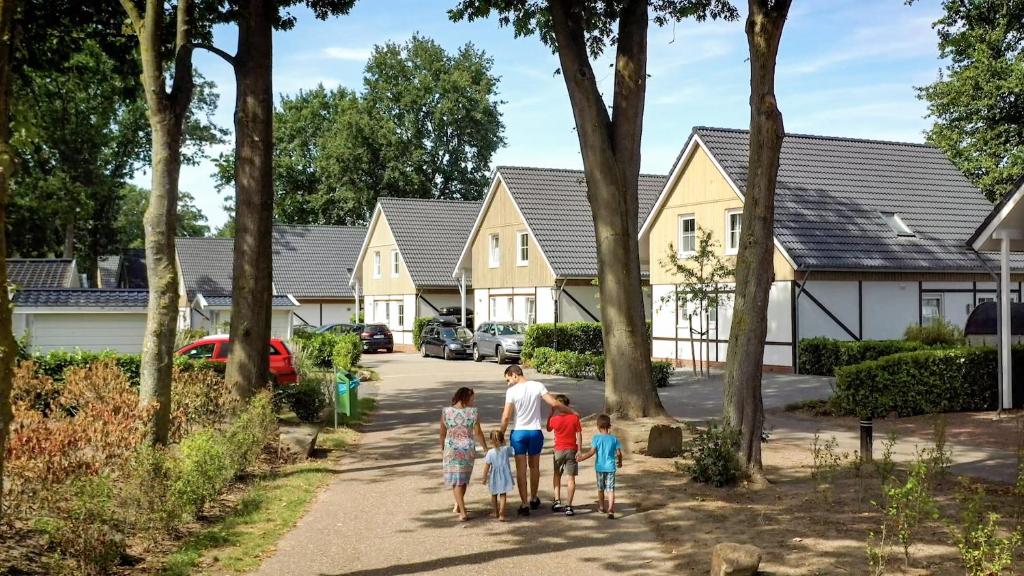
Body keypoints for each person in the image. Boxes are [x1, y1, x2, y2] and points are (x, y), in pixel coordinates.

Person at [499, 364, 576, 517]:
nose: (509, 383)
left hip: (519, 433)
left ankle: (524, 504)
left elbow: (506, 415)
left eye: (508, 379)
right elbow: (554, 403)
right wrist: (572, 412)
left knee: (521, 470)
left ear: (514, 374)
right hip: (535, 432)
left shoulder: (512, 391)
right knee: (534, 467)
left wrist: (501, 432)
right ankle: (534, 498)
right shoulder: (538, 386)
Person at [440, 387, 487, 521]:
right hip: (467, 450)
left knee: (457, 481)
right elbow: (478, 432)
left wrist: (442, 448)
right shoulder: (473, 412)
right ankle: (461, 509)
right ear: (466, 398)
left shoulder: (446, 412)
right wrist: (485, 448)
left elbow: (442, 433)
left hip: (451, 449)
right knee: (462, 479)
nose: (473, 401)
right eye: (472, 398)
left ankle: (460, 507)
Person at [577, 413, 623, 520]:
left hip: (600, 468)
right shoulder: (614, 439)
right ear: (609, 426)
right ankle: (611, 508)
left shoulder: (596, 438)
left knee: (601, 488)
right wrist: (620, 462)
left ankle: (602, 507)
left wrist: (582, 458)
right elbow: (619, 453)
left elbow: (591, 452)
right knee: (610, 489)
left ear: (598, 427)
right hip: (611, 467)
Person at [546, 394, 582, 516]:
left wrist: (551, 414)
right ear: (567, 406)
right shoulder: (574, 418)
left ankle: (557, 501)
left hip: (558, 450)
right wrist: (580, 449)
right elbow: (579, 434)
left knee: (557, 475)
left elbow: (548, 429)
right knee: (571, 478)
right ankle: (569, 506)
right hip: (572, 449)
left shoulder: (554, 419)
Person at [481, 430, 515, 521]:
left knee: (494, 494)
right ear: (502, 439)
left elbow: (487, 466)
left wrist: (484, 477)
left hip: (494, 476)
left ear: (490, 441)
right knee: (503, 494)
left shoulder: (490, 453)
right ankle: (502, 514)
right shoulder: (505, 449)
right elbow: (513, 451)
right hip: (505, 476)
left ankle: (495, 512)